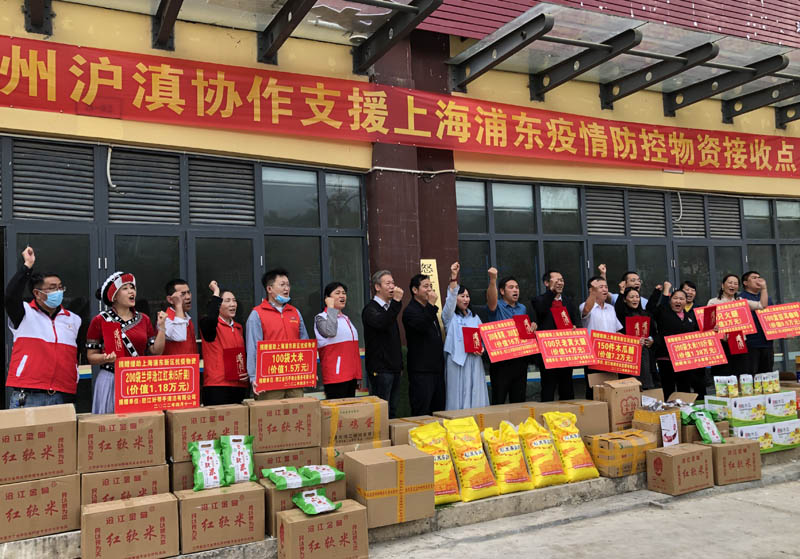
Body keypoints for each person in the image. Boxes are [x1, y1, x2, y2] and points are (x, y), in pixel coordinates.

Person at [4, 246, 81, 408]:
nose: (58, 292)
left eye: (60, 287)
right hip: (29, 396)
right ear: (37, 293)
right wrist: (27, 266)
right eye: (52, 288)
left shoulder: (74, 320)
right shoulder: (24, 313)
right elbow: (10, 296)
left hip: (62, 395)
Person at [86, 271, 166, 414]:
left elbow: (156, 351)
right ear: (114, 296)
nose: (131, 291)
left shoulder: (144, 319)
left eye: (132, 287)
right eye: (125, 288)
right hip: (111, 378)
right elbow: (91, 356)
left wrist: (161, 327)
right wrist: (105, 357)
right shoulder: (100, 320)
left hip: (137, 379)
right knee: (112, 423)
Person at [246, 268, 309, 400]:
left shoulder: (295, 312)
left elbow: (305, 344)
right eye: (282, 285)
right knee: (271, 412)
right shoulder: (257, 314)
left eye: (288, 285)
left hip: (294, 378)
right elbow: (253, 348)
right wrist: (253, 377)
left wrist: (309, 371)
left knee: (297, 410)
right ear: (269, 289)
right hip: (269, 380)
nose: (287, 288)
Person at [442, 262, 489, 410]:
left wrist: (482, 349)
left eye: (468, 296)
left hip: (474, 360)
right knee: (456, 395)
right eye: (462, 296)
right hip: (457, 360)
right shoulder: (449, 317)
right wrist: (453, 277)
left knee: (476, 393)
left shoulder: (475, 317)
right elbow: (450, 300)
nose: (466, 299)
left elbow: (484, 339)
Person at [646, 282, 705, 397]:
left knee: (684, 387)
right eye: (675, 298)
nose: (678, 301)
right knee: (668, 388)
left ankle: (684, 407)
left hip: (684, 359)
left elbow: (698, 334)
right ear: (670, 300)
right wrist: (657, 292)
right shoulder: (663, 312)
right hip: (666, 358)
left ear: (686, 302)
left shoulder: (690, 317)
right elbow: (650, 308)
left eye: (681, 299)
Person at [530, 270, 580, 402]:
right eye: (556, 280)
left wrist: (575, 327)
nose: (560, 283)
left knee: (567, 389)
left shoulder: (569, 302)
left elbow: (576, 322)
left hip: (565, 353)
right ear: (546, 283)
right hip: (548, 354)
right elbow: (541, 311)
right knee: (548, 389)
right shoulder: (538, 300)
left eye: (561, 280)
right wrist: (551, 293)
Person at [198, 281, 249, 405]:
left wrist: (248, 372)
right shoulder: (209, 325)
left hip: (239, 385)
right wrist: (216, 292)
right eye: (227, 301)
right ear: (217, 305)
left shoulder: (238, 328)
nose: (232, 304)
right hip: (217, 386)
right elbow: (211, 318)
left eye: (234, 300)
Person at [362, 270, 404, 418]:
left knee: (392, 410)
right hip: (380, 369)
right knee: (381, 411)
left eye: (393, 283)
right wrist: (396, 303)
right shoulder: (370, 309)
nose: (392, 286)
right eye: (388, 283)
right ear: (377, 287)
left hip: (394, 368)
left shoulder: (389, 308)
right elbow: (382, 323)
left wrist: (399, 365)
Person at [402, 273, 446, 416]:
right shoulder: (410, 311)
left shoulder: (428, 309)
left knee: (438, 410)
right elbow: (422, 326)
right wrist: (432, 305)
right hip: (421, 371)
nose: (430, 290)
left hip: (437, 369)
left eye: (431, 286)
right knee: (422, 411)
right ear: (415, 290)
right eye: (426, 286)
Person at [706, 274, 765, 377]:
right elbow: (708, 326)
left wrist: (764, 288)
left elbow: (762, 305)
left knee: (740, 373)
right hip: (721, 342)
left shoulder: (740, 301)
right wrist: (714, 328)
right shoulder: (713, 302)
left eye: (735, 284)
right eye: (730, 283)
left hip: (738, 340)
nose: (732, 285)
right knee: (722, 374)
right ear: (723, 285)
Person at [487, 267, 530, 405]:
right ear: (502, 291)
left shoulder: (522, 308)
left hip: (519, 360)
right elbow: (491, 299)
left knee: (519, 401)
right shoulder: (497, 306)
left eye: (517, 287)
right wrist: (493, 280)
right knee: (499, 400)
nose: (515, 290)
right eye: (511, 287)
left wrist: (531, 328)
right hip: (501, 362)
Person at [315, 282, 361, 400]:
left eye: (344, 293)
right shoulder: (321, 317)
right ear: (327, 298)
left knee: (350, 409)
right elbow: (330, 332)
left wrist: (357, 374)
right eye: (337, 293)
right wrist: (330, 308)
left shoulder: (346, 318)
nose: (342, 296)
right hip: (335, 376)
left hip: (351, 375)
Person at [580, 275, 623, 398]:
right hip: (593, 356)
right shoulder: (585, 306)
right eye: (600, 287)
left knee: (611, 388)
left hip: (610, 355)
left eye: (606, 287)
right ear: (591, 290)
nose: (605, 289)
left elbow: (616, 331)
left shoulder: (611, 308)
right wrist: (593, 294)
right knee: (594, 389)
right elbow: (586, 310)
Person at [616, 287, 657, 389]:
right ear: (625, 299)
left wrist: (651, 340)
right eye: (631, 297)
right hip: (628, 355)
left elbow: (654, 333)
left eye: (637, 297)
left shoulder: (646, 314)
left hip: (645, 355)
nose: (635, 299)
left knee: (646, 385)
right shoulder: (621, 315)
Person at [740, 271, 773, 374]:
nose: (758, 280)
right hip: (750, 344)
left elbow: (773, 317)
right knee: (750, 376)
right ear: (745, 283)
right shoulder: (740, 298)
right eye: (754, 278)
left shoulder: (767, 298)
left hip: (767, 343)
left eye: (759, 277)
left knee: (767, 376)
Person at [163, 278, 196, 355]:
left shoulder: (187, 318)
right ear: (170, 299)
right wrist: (178, 305)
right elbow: (180, 336)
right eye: (183, 294)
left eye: (188, 292)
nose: (188, 297)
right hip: (175, 362)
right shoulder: (165, 319)